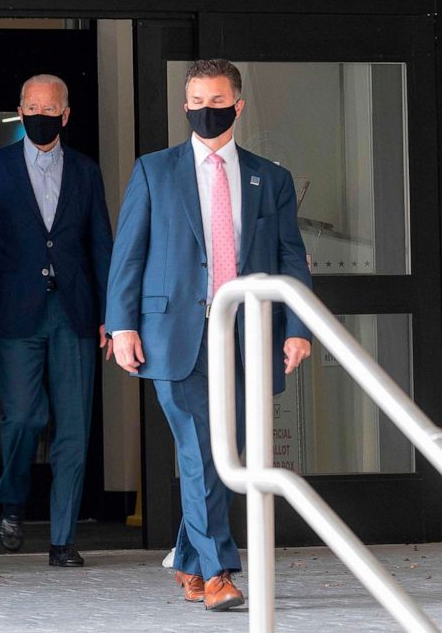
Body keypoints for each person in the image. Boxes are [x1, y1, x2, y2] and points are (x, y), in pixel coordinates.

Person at [105, 59, 313, 610]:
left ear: (237, 106)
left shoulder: (271, 178)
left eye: (215, 101)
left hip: (248, 336)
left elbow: (291, 259)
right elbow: (128, 254)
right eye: (195, 101)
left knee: (226, 456)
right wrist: (122, 324)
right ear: (184, 105)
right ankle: (218, 570)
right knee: (201, 449)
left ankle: (189, 560)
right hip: (175, 333)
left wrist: (297, 329)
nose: (204, 110)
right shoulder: (154, 170)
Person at [0, 74, 114, 568]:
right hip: (15, 312)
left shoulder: (87, 172)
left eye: (50, 108)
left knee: (73, 428)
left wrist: (114, 316)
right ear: (20, 111)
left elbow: (102, 248)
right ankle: (14, 498)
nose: (40, 114)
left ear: (65, 115)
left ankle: (63, 540)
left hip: (75, 313)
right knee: (23, 416)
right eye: (31, 106)